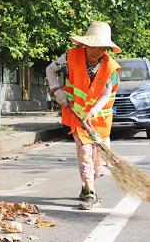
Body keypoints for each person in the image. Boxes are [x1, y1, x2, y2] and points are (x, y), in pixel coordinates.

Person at [46, 21, 121, 210]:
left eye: (101, 47)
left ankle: (88, 184)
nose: (96, 51)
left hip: (100, 119)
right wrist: (57, 91)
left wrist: (93, 112)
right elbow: (50, 69)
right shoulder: (70, 56)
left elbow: (106, 94)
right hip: (77, 114)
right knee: (84, 152)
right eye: (92, 46)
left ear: (107, 48)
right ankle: (90, 193)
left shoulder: (111, 67)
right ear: (85, 44)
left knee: (98, 161)